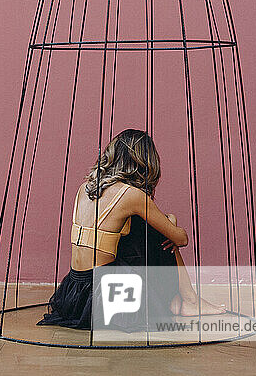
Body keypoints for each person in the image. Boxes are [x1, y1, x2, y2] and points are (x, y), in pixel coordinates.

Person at [36, 128, 225, 331]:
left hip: (74, 293)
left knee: (140, 229)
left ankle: (181, 301)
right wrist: (172, 221)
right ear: (145, 163)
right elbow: (181, 239)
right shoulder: (131, 195)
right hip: (103, 298)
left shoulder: (86, 187)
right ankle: (190, 301)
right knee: (160, 234)